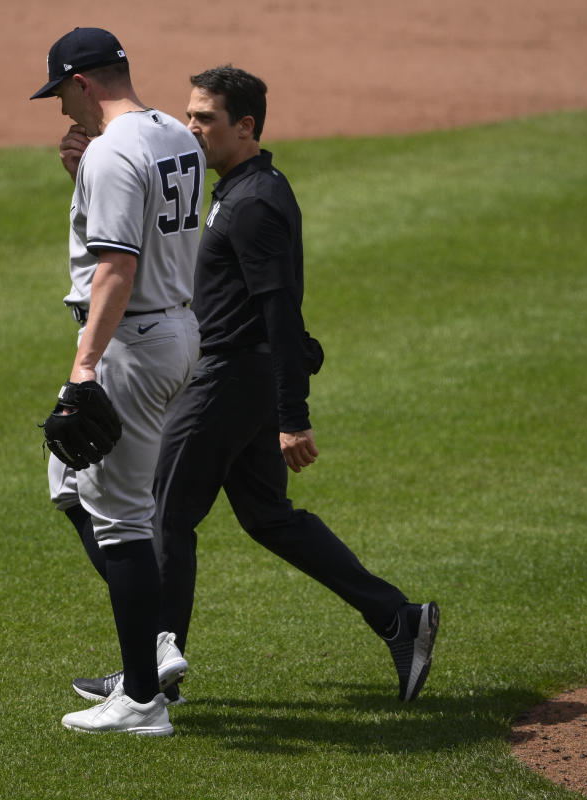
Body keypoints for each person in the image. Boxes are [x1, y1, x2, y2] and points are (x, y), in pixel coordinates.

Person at [72, 65, 439, 707]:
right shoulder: (234, 189)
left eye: (206, 118)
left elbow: (280, 308)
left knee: (165, 515)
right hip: (232, 376)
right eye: (189, 115)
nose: (192, 128)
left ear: (246, 127)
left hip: (227, 378)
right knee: (269, 517)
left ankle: (152, 675)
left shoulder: (254, 202)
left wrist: (293, 413)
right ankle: (397, 617)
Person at [30, 27, 205, 735]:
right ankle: (154, 647)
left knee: (121, 517)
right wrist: (85, 178)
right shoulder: (174, 134)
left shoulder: (108, 150)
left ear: (83, 83)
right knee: (67, 480)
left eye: (61, 94)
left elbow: (117, 269)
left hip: (131, 340)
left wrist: (83, 368)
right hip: (174, 328)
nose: (61, 110)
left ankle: (141, 697)